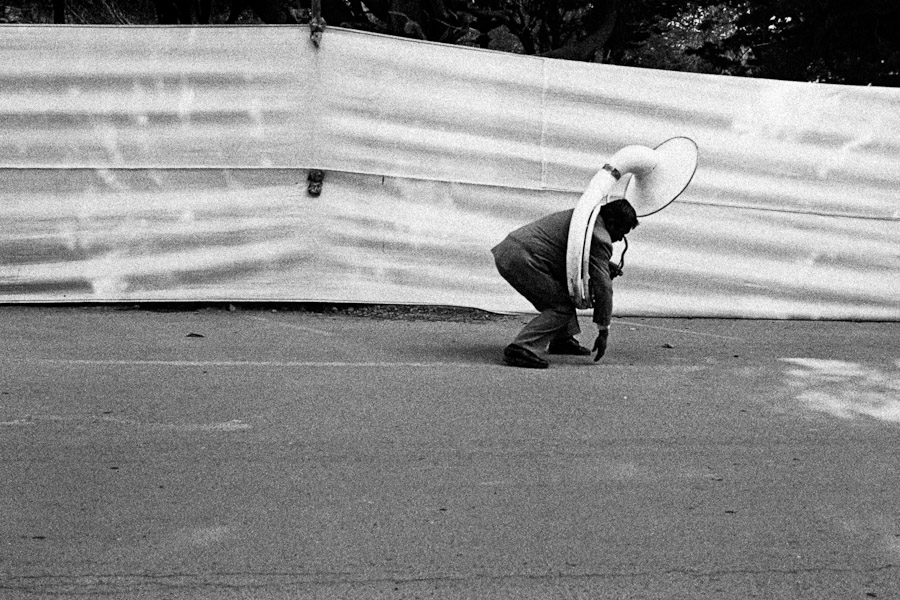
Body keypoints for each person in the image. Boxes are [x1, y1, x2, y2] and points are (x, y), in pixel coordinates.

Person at [491, 198, 639, 369]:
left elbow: (573, 252)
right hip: (522, 259)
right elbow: (603, 287)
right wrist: (603, 330)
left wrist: (603, 264)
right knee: (561, 306)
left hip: (512, 249)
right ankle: (521, 348)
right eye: (622, 232)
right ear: (611, 223)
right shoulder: (600, 236)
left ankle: (561, 339)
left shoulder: (586, 215)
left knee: (561, 293)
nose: (621, 239)